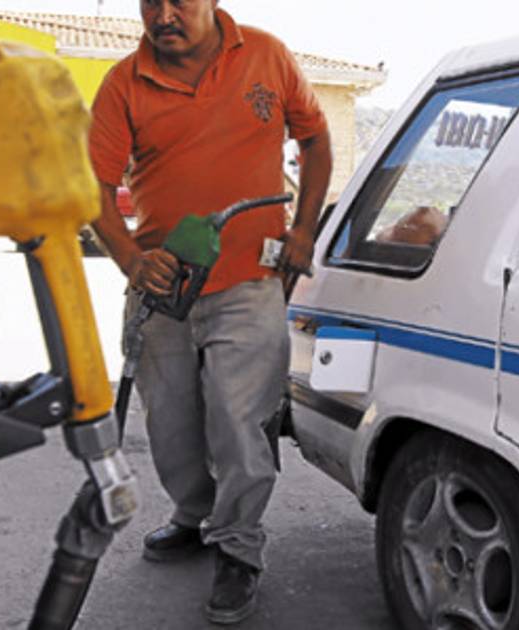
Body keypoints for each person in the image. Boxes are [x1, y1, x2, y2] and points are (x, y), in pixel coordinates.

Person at [87, 0, 332, 624]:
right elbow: (94, 188)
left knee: (238, 421)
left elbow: (315, 137)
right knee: (170, 426)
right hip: (163, 288)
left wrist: (304, 229)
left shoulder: (266, 55)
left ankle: (238, 547)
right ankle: (196, 516)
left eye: (180, 1)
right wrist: (131, 261)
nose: (164, 14)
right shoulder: (123, 83)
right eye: (151, 2)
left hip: (250, 280)